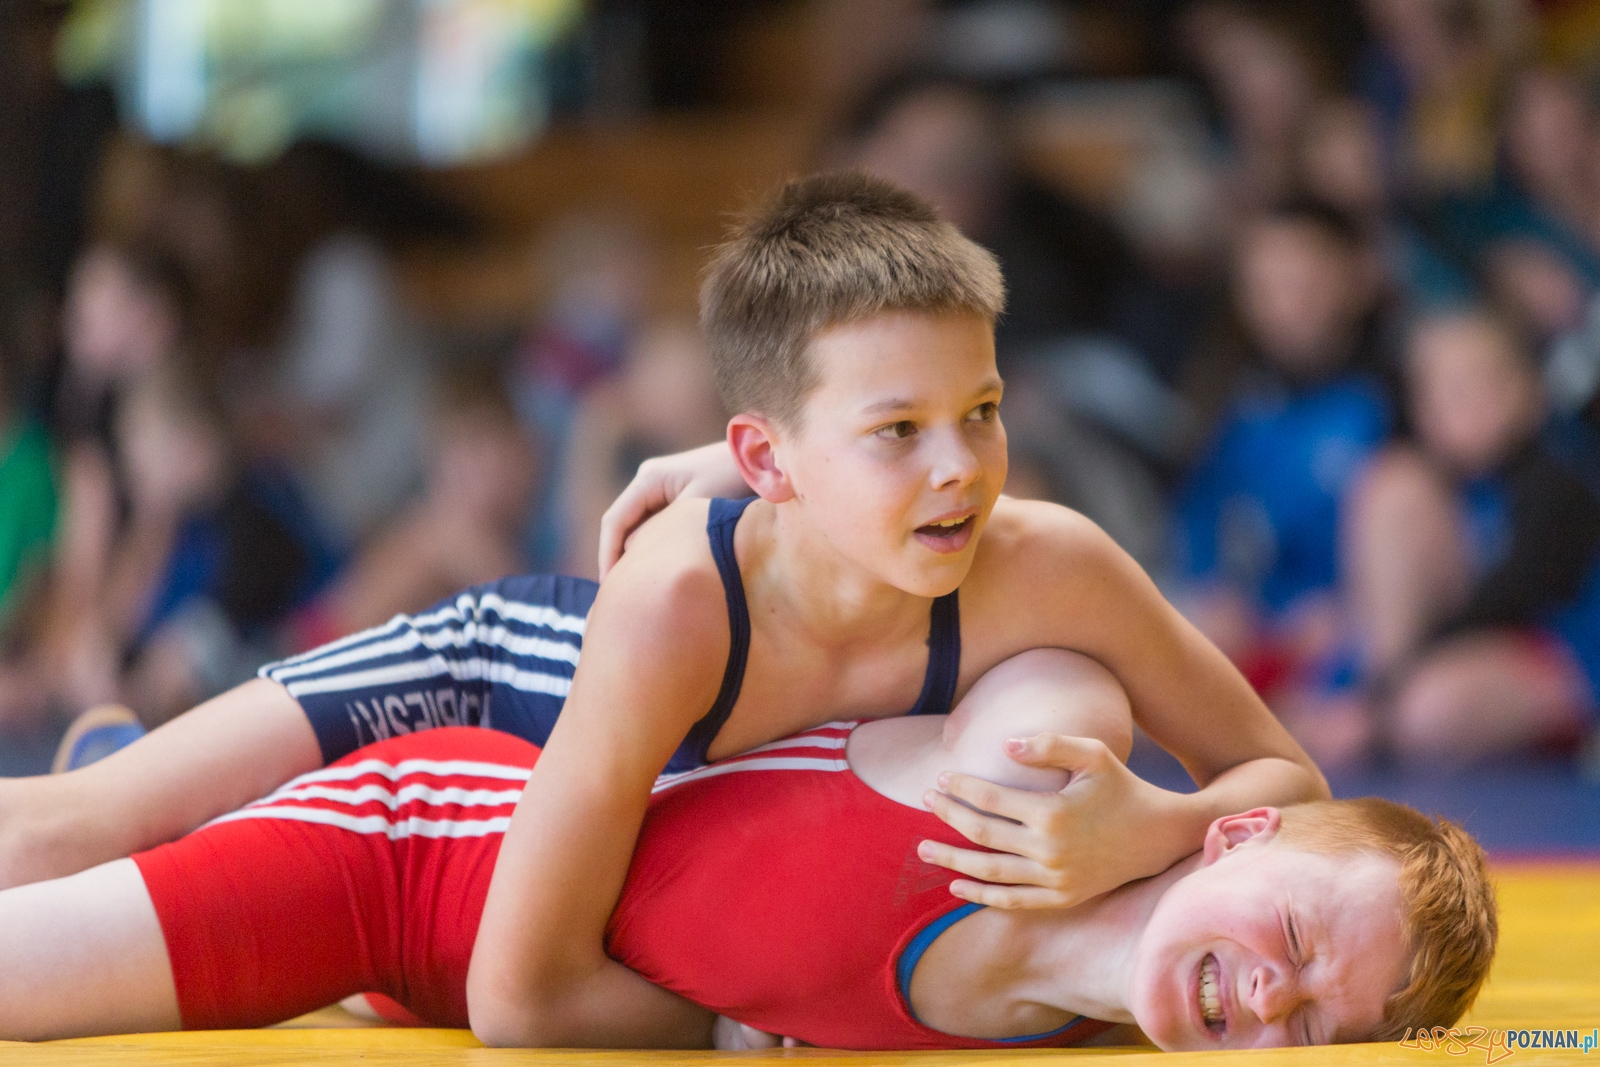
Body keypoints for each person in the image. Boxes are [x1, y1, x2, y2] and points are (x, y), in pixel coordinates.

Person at [0, 172, 1325, 1045]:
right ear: (770, 461)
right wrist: (755, 1023)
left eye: (981, 414)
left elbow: (1290, 780)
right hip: (516, 675)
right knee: (92, 827)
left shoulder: (1051, 564)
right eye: (899, 431)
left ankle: (165, 787)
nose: (959, 468)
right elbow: (526, 989)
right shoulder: (681, 597)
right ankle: (124, 772)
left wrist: (1161, 820)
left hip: (654, 718)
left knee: (310, 862)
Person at [0, 649, 1495, 1051]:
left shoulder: (1093, 1031)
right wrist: (1143, 807)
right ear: (1235, 834)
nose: (1267, 1003)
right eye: (1292, 943)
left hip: (463, 983)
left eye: (1315, 1026)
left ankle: (136, 802)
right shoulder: (1041, 773)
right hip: (421, 855)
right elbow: (1054, 641)